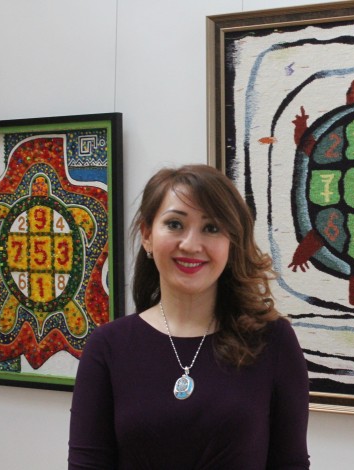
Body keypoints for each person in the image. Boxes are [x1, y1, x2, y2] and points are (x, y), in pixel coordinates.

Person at [68, 164, 310, 469]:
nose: (191, 245)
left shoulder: (273, 341)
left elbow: (291, 464)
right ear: (147, 235)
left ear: (232, 242)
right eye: (175, 224)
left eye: (211, 228)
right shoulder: (107, 347)